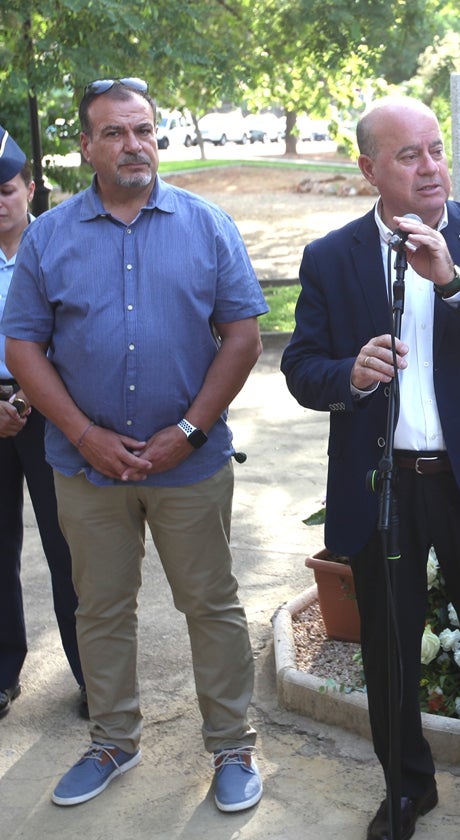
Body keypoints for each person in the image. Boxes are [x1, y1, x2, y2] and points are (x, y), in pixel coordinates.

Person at [280, 96, 460, 840]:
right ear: (369, 170)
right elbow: (300, 367)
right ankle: (406, 787)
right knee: (389, 652)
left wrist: (455, 281)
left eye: (435, 149)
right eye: (408, 155)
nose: (431, 166)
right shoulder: (332, 256)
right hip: (381, 486)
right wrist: (349, 376)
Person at [2, 78, 266, 813]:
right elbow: (22, 345)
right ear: (85, 147)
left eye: (144, 130)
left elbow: (242, 336)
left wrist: (189, 431)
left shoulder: (207, 224)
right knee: (100, 607)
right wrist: (84, 435)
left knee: (210, 605)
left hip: (191, 465)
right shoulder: (51, 236)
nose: (133, 145)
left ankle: (231, 746)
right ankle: (113, 739)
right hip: (86, 470)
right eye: (114, 133)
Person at [0, 125, 86, 721]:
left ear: (30, 188)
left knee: (69, 547)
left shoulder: (58, 247)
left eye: (7, 188)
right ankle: (3, 673)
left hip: (50, 411)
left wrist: (33, 399)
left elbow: (80, 334)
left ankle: (91, 674)